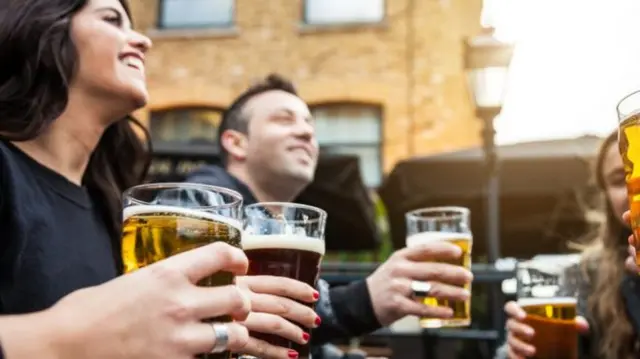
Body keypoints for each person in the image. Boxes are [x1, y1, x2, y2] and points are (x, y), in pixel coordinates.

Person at [0, 2, 317, 358]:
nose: (143, 41)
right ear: (42, 27)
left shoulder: (109, 207)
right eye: (111, 19)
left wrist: (206, 320)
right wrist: (71, 337)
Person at [185, 74, 474, 358]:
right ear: (236, 143)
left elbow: (290, 337)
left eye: (309, 124)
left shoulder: (283, 227)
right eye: (284, 120)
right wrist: (365, 299)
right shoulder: (207, 201)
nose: (307, 133)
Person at [495, 131, 640, 359]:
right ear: (607, 197)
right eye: (619, 179)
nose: (634, 187)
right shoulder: (586, 275)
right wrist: (517, 350)